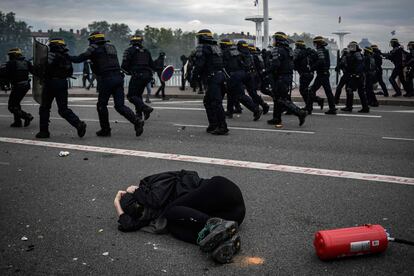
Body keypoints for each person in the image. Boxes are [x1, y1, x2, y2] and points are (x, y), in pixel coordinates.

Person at [113, 170, 245, 264]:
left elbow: (155, 200)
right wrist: (117, 206)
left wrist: (136, 190)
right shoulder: (155, 214)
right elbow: (129, 225)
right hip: (231, 217)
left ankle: (214, 226)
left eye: (140, 207)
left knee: (170, 212)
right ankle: (222, 241)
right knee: (174, 229)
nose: (144, 212)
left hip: (222, 190)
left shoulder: (151, 185)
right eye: (140, 213)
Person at [70, 32, 144, 137]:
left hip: (106, 79)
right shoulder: (111, 47)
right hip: (118, 78)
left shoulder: (93, 48)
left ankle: (105, 130)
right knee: (120, 106)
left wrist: (66, 56)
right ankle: (137, 121)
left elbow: (79, 59)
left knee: (101, 105)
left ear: (93, 40)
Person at [36, 38, 87, 138]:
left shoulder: (50, 55)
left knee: (44, 108)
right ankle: (78, 124)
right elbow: (70, 72)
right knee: (63, 109)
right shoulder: (66, 57)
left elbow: (41, 69)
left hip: (50, 84)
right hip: (63, 83)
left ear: (53, 46)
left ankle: (44, 132)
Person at [191, 29, 228, 135]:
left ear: (202, 37)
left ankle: (222, 126)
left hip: (212, 78)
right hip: (221, 76)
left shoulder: (202, 48)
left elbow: (199, 65)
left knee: (216, 103)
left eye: (198, 37)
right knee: (208, 101)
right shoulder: (216, 47)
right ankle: (213, 125)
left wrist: (194, 78)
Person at [266, 32, 307, 128]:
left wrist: (267, 71)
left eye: (275, 39)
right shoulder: (288, 50)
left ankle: (300, 112)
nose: (274, 41)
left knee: (281, 99)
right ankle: (276, 118)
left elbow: (276, 64)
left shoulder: (277, 49)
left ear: (278, 40)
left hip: (281, 77)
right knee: (277, 98)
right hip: (287, 76)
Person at [219, 39, 261, 121]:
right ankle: (229, 111)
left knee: (240, 95)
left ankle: (256, 109)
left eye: (221, 44)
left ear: (224, 45)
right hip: (241, 74)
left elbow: (222, 65)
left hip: (233, 75)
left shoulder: (225, 52)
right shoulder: (235, 50)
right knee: (231, 94)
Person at [121, 34, 154, 121]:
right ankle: (139, 115)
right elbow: (152, 65)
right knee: (138, 96)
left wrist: (129, 72)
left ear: (131, 42)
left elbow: (124, 66)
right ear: (141, 42)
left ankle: (145, 108)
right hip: (147, 76)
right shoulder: (147, 51)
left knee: (131, 96)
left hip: (137, 76)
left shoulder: (129, 51)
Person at [2, 48, 34, 128]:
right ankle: (17, 122)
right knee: (16, 104)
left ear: (14, 55)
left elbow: (5, 75)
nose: (9, 57)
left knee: (11, 106)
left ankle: (27, 116)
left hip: (18, 86)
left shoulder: (11, 63)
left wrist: (4, 85)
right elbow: (35, 71)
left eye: (10, 55)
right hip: (26, 85)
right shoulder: (27, 62)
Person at [308, 36, 337, 115]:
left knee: (311, 90)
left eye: (315, 43)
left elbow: (320, 61)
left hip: (321, 74)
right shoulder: (325, 51)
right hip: (325, 73)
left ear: (318, 44)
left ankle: (309, 108)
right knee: (328, 92)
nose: (315, 45)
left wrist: (312, 68)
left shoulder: (320, 51)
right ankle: (332, 108)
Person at [293, 40, 324, 114]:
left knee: (303, 90)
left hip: (304, 74)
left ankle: (311, 105)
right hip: (311, 73)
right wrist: (312, 68)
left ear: (298, 46)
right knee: (305, 90)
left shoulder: (299, 52)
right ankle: (312, 103)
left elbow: (295, 62)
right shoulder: (309, 52)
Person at [340, 41, 369, 113]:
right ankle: (365, 107)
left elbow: (360, 64)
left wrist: (356, 73)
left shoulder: (357, 54)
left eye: (352, 47)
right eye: (350, 47)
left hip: (357, 76)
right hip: (357, 75)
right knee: (360, 91)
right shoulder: (352, 54)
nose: (351, 48)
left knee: (350, 89)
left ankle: (349, 107)